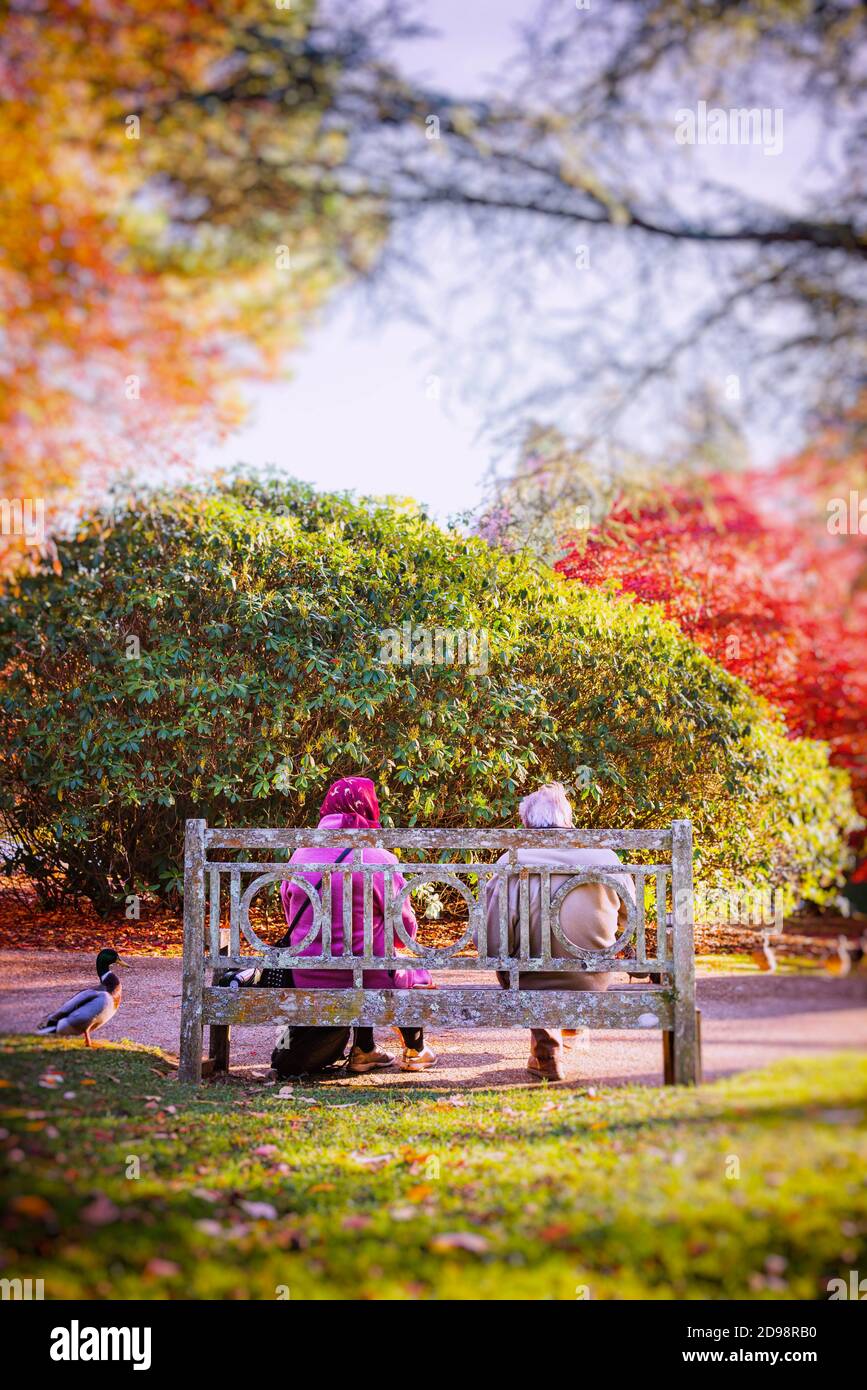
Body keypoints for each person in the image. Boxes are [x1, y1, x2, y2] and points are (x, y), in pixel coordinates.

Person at [280, 776, 437, 1074]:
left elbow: (291, 917)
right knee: (405, 970)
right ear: (369, 809)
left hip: (306, 973)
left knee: (365, 962)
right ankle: (415, 1051)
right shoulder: (381, 860)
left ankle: (365, 1049)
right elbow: (403, 932)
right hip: (369, 974)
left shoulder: (299, 857)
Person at [482, 783, 635, 1081]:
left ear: (526, 825)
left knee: (518, 961)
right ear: (568, 821)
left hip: (529, 979)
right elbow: (630, 918)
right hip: (593, 975)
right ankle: (568, 1031)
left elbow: (494, 940)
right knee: (572, 953)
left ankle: (547, 1048)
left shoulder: (511, 862)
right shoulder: (605, 858)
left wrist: (499, 956)